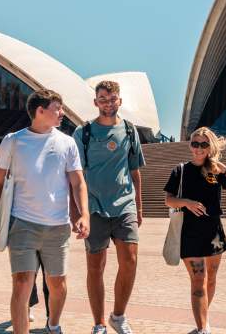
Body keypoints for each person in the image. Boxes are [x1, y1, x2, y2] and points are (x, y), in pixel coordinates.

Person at [0, 89, 90, 334]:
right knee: (21, 284)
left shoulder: (67, 143)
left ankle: (53, 325)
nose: (62, 113)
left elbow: (78, 182)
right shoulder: (13, 141)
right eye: (57, 108)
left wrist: (84, 214)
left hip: (58, 226)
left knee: (58, 284)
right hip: (23, 224)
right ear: (40, 111)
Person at [72, 80, 145, 334]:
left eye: (112, 99)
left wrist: (139, 208)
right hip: (94, 207)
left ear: (120, 101)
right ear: (95, 102)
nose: (108, 104)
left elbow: (135, 172)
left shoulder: (129, 130)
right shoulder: (83, 133)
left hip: (125, 205)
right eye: (103, 99)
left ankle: (118, 316)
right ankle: (99, 323)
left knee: (130, 261)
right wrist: (78, 213)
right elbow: (76, 175)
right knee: (96, 267)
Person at [164, 127, 226, 334]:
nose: (199, 148)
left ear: (210, 147)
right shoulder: (180, 170)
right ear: (190, 145)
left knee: (210, 278)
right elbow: (169, 200)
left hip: (213, 232)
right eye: (195, 144)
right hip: (189, 232)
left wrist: (224, 169)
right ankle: (203, 329)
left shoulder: (215, 171)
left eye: (203, 144)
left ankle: (203, 319)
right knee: (198, 279)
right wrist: (187, 202)